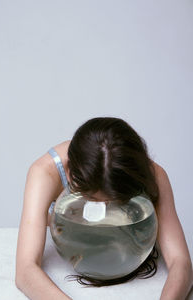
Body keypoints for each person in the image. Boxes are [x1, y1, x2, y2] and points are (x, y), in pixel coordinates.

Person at [15, 117, 193, 300]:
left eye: (116, 203)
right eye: (91, 199)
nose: (103, 214)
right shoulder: (44, 172)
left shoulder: (149, 175)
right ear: (70, 174)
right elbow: (25, 270)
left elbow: (180, 262)